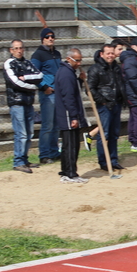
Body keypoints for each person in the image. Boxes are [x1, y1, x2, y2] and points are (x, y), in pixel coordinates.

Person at [3, 39, 42, 173]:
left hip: (28, 102)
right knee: (21, 134)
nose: (19, 51)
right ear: (11, 50)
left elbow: (40, 75)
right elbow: (15, 83)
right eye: (16, 48)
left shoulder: (27, 62)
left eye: (21, 48)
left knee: (29, 133)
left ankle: (24, 159)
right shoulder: (9, 63)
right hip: (17, 103)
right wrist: (32, 86)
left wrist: (25, 78)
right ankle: (18, 161)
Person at [87, 44, 126, 171]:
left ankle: (113, 159)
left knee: (114, 134)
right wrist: (102, 101)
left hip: (116, 104)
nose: (110, 55)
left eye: (112, 53)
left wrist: (122, 98)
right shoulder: (95, 69)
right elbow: (90, 88)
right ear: (102, 54)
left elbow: (120, 84)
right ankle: (104, 161)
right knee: (104, 134)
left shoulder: (116, 68)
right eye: (107, 53)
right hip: (105, 105)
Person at [54, 48, 89, 184]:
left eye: (80, 60)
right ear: (69, 59)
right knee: (71, 146)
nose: (79, 63)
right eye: (77, 60)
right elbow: (68, 97)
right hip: (68, 115)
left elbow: (72, 90)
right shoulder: (66, 73)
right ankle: (70, 174)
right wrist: (74, 117)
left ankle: (67, 171)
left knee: (70, 145)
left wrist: (79, 81)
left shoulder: (69, 73)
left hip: (69, 114)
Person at [31, 27, 62, 164]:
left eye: (52, 37)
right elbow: (33, 74)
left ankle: (54, 152)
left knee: (56, 125)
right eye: (47, 37)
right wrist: (44, 87)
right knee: (47, 125)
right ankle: (44, 154)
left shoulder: (57, 53)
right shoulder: (38, 55)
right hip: (48, 94)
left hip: (58, 92)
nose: (50, 39)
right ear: (42, 39)